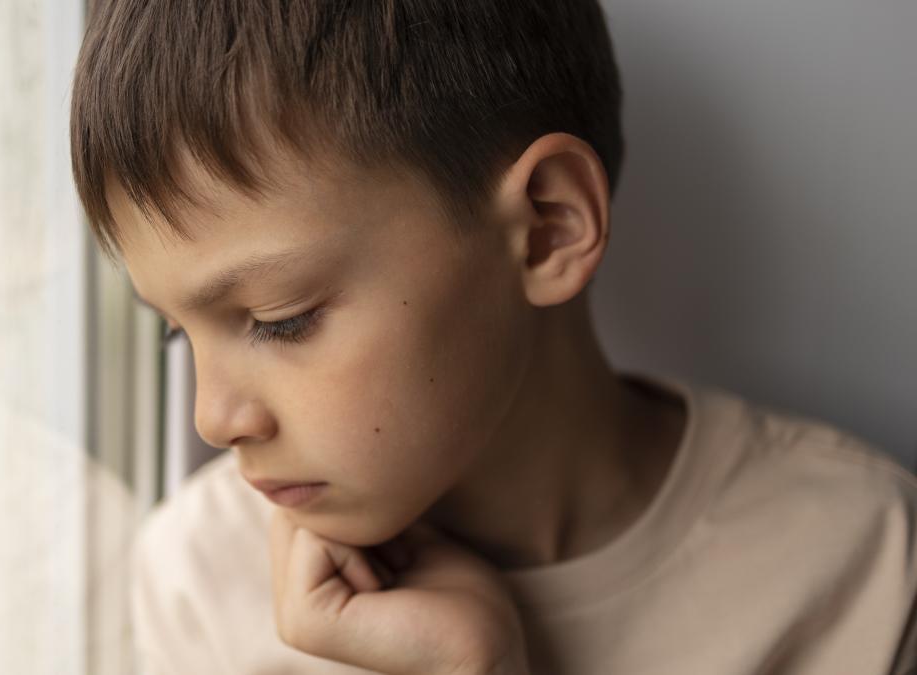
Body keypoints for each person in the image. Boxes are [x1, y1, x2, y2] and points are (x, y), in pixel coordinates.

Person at [69, 1, 917, 673]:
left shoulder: (863, 567)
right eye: (177, 334)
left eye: (278, 316)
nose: (213, 420)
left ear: (548, 226)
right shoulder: (200, 584)